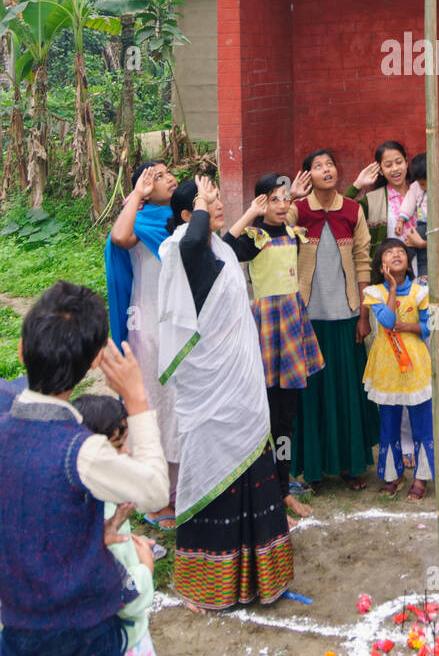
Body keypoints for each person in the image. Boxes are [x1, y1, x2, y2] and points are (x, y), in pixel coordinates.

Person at [0, 282, 169, 656]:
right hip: (83, 645)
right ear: (92, 365)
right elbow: (154, 490)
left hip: (18, 635)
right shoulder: (83, 450)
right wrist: (136, 398)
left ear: (21, 351)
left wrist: (91, 533)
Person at [158, 176, 293, 612]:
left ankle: (257, 578)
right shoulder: (184, 252)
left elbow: (224, 237)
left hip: (241, 392)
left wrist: (236, 213)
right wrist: (200, 204)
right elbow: (194, 240)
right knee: (216, 473)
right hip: (211, 394)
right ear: (187, 214)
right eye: (207, 201)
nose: (218, 205)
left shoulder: (218, 249)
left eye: (215, 198)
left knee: (253, 468)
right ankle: (208, 583)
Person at [225, 172, 322, 519]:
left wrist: (292, 196)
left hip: (293, 325)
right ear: (262, 202)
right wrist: (251, 213)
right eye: (274, 199)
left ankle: (283, 490)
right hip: (265, 328)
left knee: (286, 418)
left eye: (286, 200)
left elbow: (295, 210)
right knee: (263, 414)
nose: (282, 206)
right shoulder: (255, 237)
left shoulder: (293, 232)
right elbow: (225, 245)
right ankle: (262, 485)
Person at [73, 394, 172, 656]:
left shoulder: (84, 502)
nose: (126, 452)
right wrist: (144, 569)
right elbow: (124, 597)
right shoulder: (103, 517)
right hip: (122, 652)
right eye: (117, 445)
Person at [287, 150, 378, 490]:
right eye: (318, 166)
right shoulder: (298, 210)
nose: (326, 170)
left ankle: (349, 467)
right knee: (312, 395)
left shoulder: (354, 210)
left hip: (346, 316)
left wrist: (364, 314)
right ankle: (312, 470)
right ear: (307, 174)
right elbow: (269, 237)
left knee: (346, 393)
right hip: (307, 318)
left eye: (330, 165)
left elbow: (364, 261)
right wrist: (290, 199)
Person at [105, 160, 179, 529]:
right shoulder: (142, 217)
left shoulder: (180, 218)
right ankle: (155, 497)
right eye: (159, 175)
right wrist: (137, 194)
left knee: (179, 404)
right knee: (153, 402)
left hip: (181, 325)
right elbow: (119, 238)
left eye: (168, 173)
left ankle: (180, 487)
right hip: (149, 326)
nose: (169, 178)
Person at [347, 140, 418, 469]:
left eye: (399, 161)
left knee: (421, 359)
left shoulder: (423, 192)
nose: (395, 168)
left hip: (420, 286)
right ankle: (400, 441)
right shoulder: (372, 200)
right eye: (387, 164)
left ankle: (424, 434)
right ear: (379, 169)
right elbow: (339, 212)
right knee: (393, 360)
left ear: (407, 162)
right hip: (387, 291)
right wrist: (357, 187)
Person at [362, 238, 433, 502]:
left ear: (409, 260)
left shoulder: (422, 291)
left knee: (422, 422)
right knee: (388, 423)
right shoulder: (374, 292)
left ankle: (421, 478)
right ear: (381, 266)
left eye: (401, 251)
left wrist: (409, 327)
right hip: (387, 367)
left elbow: (430, 326)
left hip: (415, 364)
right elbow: (388, 321)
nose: (396, 255)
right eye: (389, 252)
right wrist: (392, 288)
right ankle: (393, 475)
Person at [396, 153, 439, 278]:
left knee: (410, 240)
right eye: (421, 184)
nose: (424, 187)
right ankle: (424, 279)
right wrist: (401, 220)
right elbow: (409, 202)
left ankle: (400, 265)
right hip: (423, 226)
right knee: (423, 254)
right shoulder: (416, 187)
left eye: (427, 183)